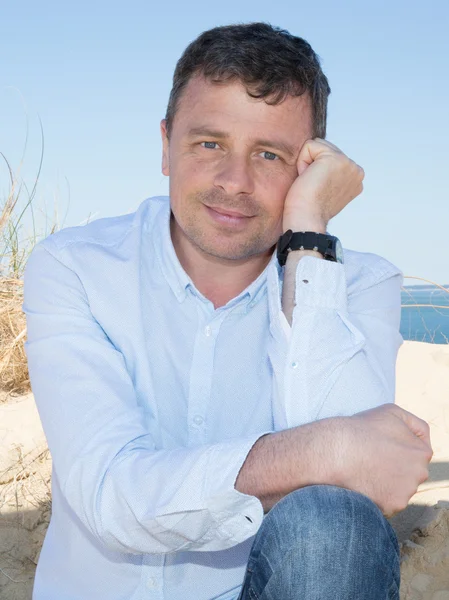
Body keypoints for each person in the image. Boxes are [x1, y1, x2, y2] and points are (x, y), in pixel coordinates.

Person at [23, 22, 432, 600]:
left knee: (329, 528)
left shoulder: (361, 282)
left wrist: (308, 238)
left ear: (308, 166)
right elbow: (113, 494)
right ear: (165, 145)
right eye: (209, 143)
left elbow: (350, 502)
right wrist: (323, 449)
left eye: (270, 154)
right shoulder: (77, 267)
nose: (235, 182)